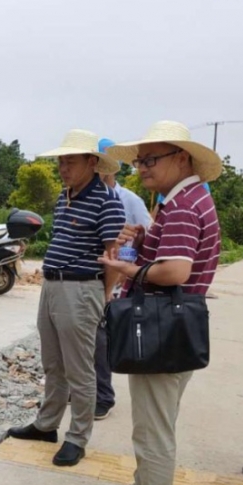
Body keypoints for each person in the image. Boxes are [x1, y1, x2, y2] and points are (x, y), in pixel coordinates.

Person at [86, 121, 222, 485]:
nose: (142, 167)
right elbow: (176, 257)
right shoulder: (186, 199)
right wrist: (146, 238)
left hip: (165, 332)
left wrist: (128, 268)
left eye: (151, 159)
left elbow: (176, 271)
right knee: (154, 423)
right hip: (175, 329)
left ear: (182, 158)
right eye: (140, 160)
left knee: (153, 429)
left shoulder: (181, 206)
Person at [7, 130, 125, 467]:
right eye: (61, 160)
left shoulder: (106, 200)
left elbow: (112, 254)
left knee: (80, 369)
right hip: (53, 285)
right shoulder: (64, 197)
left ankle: (77, 437)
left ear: (92, 162)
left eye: (70, 160)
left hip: (82, 288)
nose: (63, 167)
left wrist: (102, 295)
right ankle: (46, 425)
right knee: (52, 362)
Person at [94, 137, 152, 420]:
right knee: (86, 338)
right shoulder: (84, 196)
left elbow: (149, 237)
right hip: (91, 277)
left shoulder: (130, 200)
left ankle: (103, 396)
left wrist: (126, 267)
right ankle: (82, 390)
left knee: (102, 337)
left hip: (118, 279)